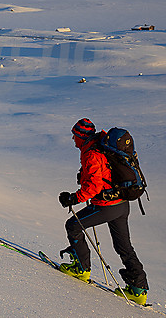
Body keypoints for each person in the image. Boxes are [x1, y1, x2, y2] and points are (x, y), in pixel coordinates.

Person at [57, 118, 149, 305]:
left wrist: (73, 198)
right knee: (124, 246)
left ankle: (81, 269)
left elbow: (94, 185)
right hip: (122, 203)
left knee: (73, 225)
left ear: (81, 137)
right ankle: (138, 290)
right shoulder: (99, 146)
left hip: (107, 205)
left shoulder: (92, 153)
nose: (73, 139)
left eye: (74, 136)